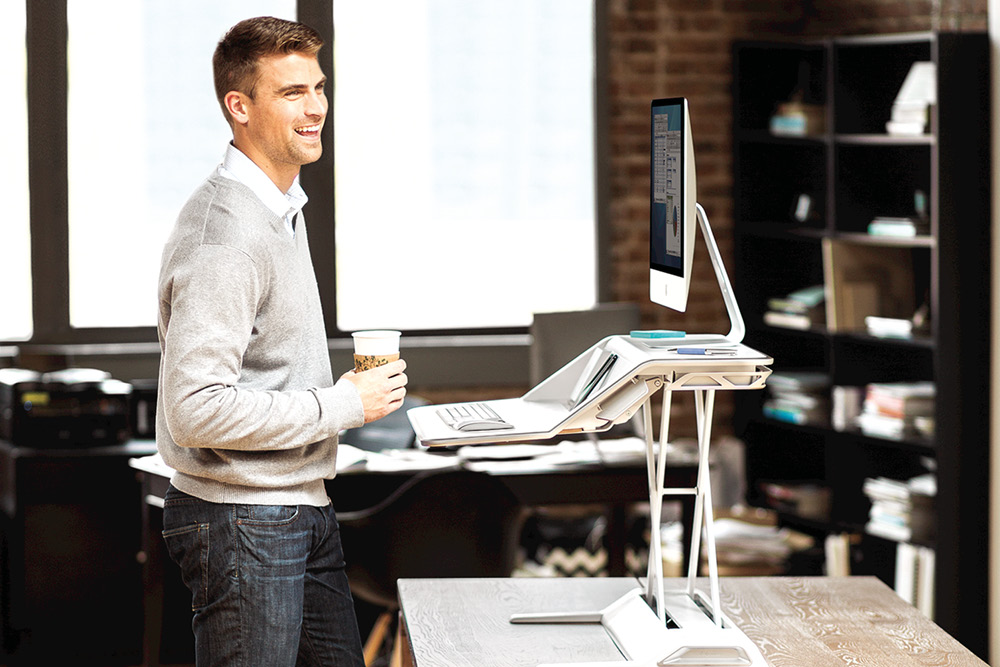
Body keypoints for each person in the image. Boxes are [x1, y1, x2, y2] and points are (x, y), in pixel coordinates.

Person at [155, 16, 407, 667]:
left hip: (299, 505)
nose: (317, 106)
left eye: (318, 87)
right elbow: (196, 407)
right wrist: (344, 404)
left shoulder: (278, 209)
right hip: (243, 519)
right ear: (239, 107)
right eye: (292, 92)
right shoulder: (227, 232)